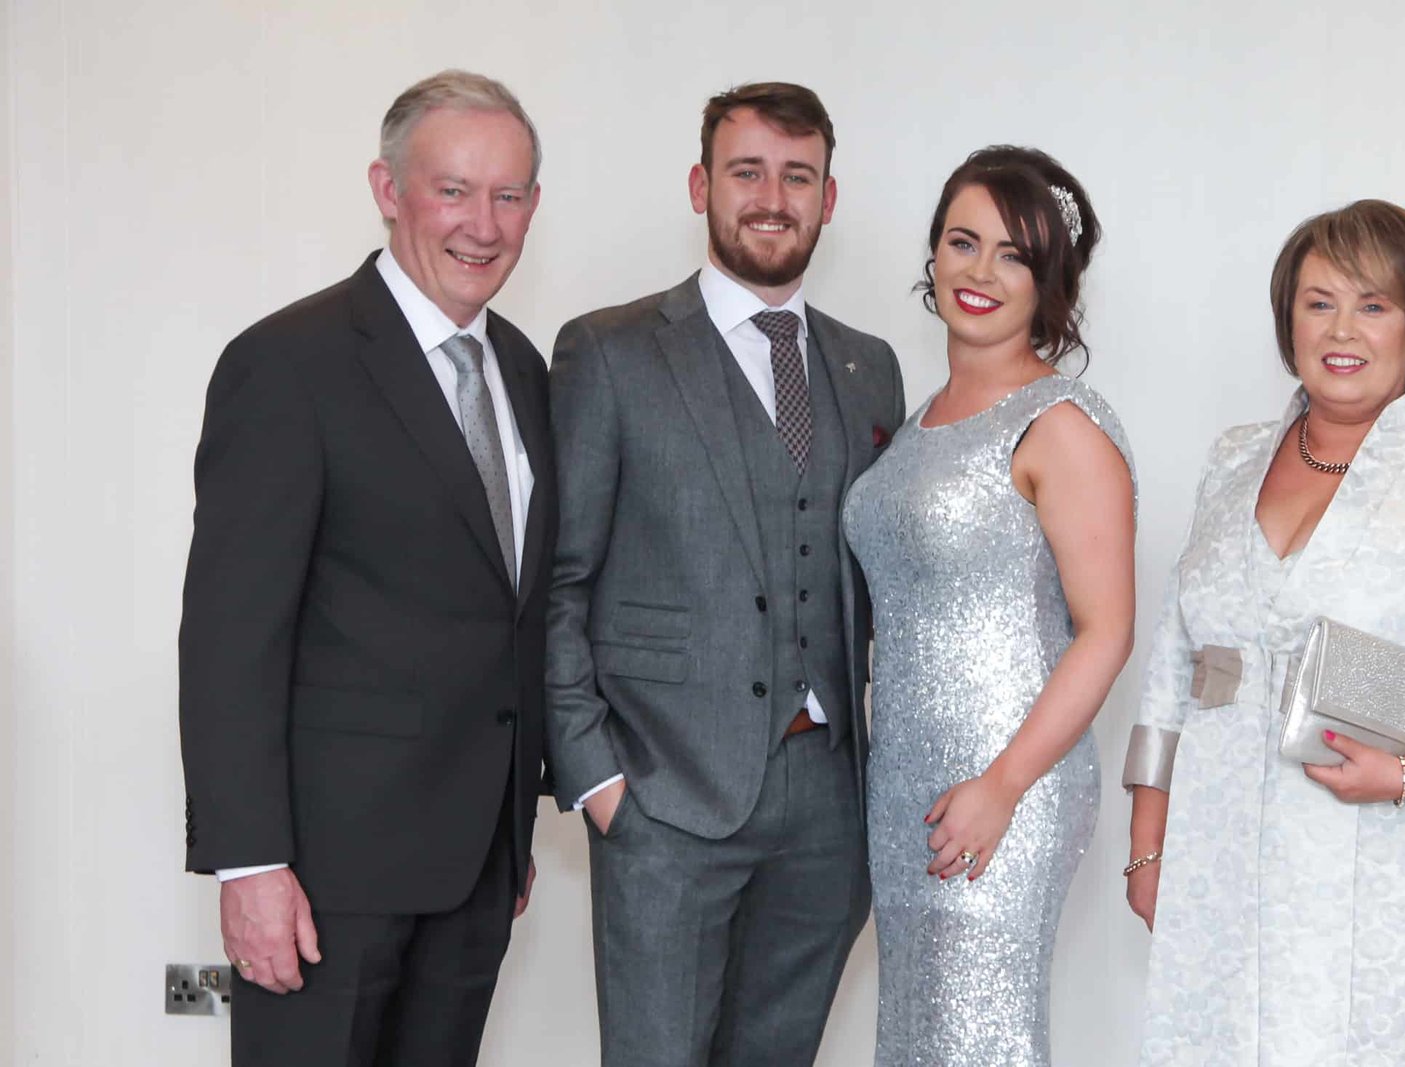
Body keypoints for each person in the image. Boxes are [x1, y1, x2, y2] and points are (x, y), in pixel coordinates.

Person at [1124, 199, 1405, 1065]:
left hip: (1386, 876)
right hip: (1220, 866)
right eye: (1319, 301)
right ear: (1288, 319)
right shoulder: (1232, 459)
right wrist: (1148, 849)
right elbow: (1179, 663)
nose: (1342, 329)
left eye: (1373, 304)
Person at [177, 70, 555, 1067]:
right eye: (453, 190)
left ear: (533, 206)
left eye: (507, 195)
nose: (483, 225)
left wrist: (511, 826)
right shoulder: (287, 364)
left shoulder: (523, 370)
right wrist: (249, 863)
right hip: (324, 876)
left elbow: (513, 609)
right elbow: (229, 635)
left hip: (478, 865)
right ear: (389, 191)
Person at [544, 82, 905, 1066]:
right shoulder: (609, 352)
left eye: (798, 177)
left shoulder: (869, 367)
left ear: (828, 199)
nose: (772, 199)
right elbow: (559, 580)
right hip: (664, 796)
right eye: (748, 172)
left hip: (826, 805)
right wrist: (597, 778)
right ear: (702, 186)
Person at [842, 146, 1136, 1065]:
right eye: (963, 242)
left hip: (1005, 786)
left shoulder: (1060, 424)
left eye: (1014, 255)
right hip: (906, 785)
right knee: (921, 1037)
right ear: (933, 253)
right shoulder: (920, 417)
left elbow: (1107, 631)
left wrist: (1002, 785)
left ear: (1049, 281)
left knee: (981, 1037)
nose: (980, 271)